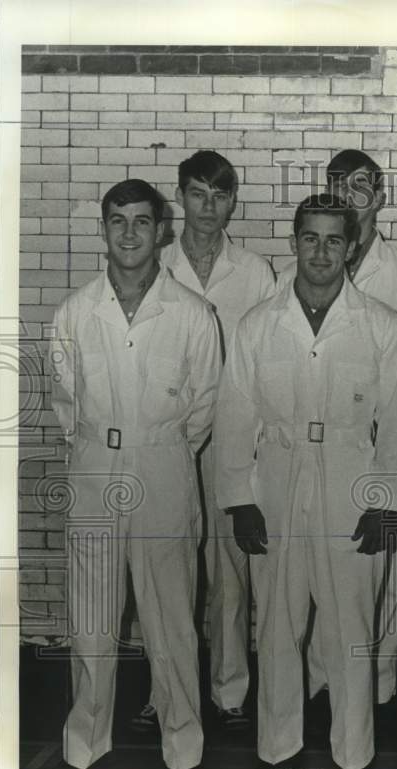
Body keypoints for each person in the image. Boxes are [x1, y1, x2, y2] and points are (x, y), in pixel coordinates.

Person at [214, 194, 397, 769]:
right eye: (311, 238)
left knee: (350, 627)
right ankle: (276, 749)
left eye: (334, 239)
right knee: (277, 624)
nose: (322, 251)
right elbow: (234, 416)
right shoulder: (258, 323)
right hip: (277, 479)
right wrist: (239, 502)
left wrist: (386, 504)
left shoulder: (382, 325)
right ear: (294, 242)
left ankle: (353, 753)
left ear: (352, 246)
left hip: (353, 479)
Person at [50, 179, 221, 769]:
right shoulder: (76, 311)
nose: (128, 233)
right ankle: (85, 744)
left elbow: (204, 407)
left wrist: (160, 448)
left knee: (170, 618)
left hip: (164, 466)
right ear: (103, 229)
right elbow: (66, 403)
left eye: (141, 222)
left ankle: (182, 746)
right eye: (117, 221)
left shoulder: (193, 314)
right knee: (92, 618)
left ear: (160, 230)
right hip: (95, 467)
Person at [279, 149, 397, 709]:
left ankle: (378, 686)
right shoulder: (296, 273)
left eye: (364, 185)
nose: (353, 195)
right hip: (310, 449)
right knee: (317, 579)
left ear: (382, 195)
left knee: (380, 578)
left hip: (380, 448)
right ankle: (324, 686)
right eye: (340, 185)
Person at [127, 151, 275, 734]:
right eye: (196, 194)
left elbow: (267, 358)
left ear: (232, 201)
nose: (208, 207)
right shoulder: (154, 263)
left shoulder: (256, 270)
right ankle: (166, 691)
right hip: (169, 439)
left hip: (235, 439)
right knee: (164, 573)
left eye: (219, 195)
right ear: (180, 199)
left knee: (230, 571)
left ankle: (229, 687)